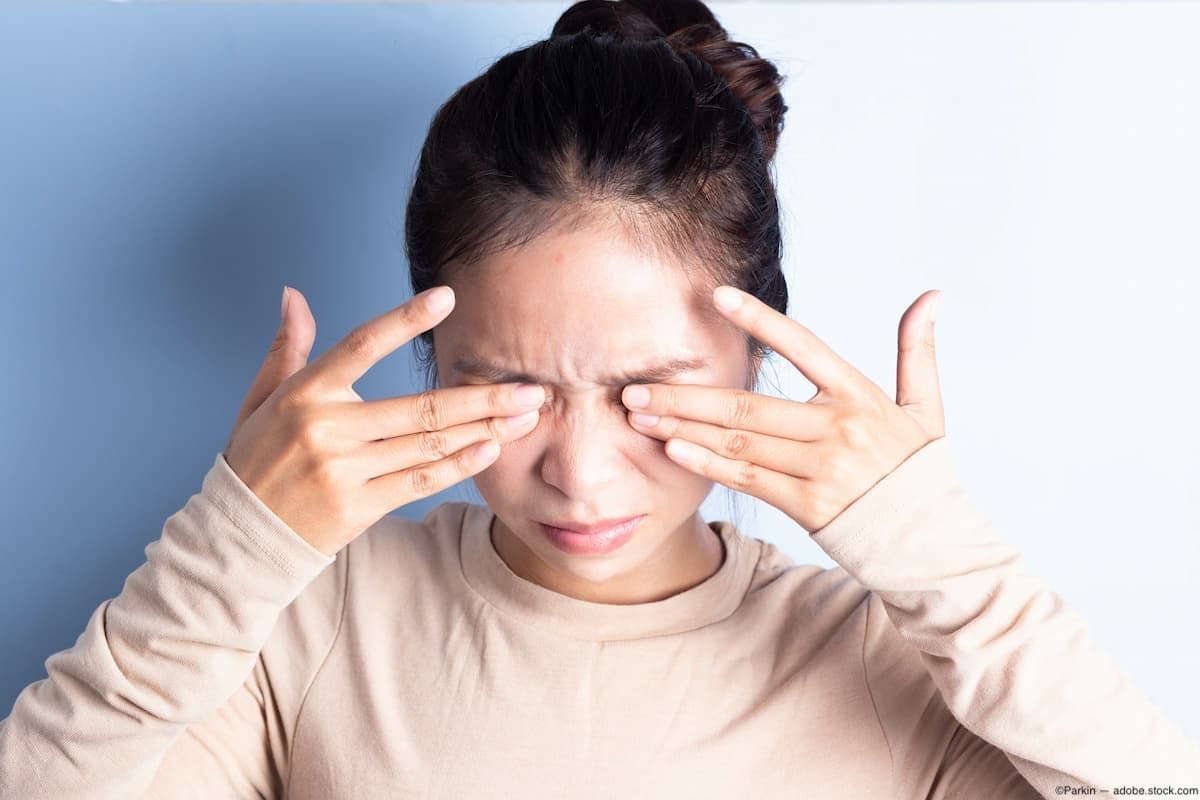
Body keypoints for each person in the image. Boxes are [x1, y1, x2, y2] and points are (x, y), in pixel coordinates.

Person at [2, 0, 1198, 797]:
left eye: (646, 391)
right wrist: (234, 539)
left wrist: (946, 555)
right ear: (431, 351)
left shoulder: (886, 660)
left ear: (759, 355)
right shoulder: (308, 625)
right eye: (505, 383)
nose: (579, 469)